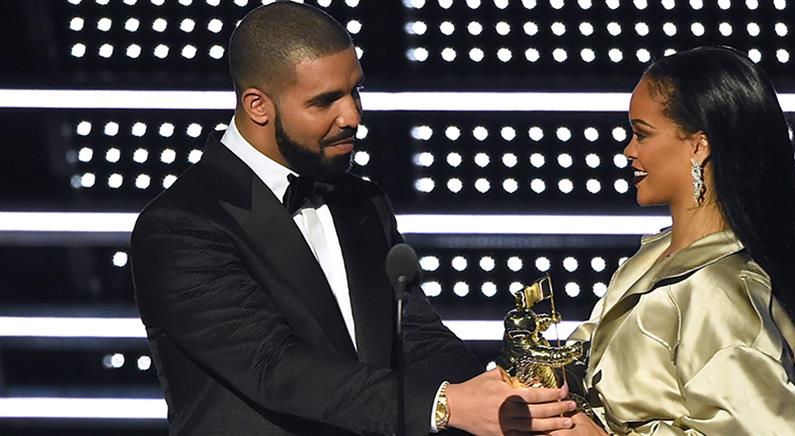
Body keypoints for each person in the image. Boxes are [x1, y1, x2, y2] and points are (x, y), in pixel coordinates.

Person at [130, 3, 575, 434]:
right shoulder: (180, 225)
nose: (352, 116)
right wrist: (445, 405)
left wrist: (502, 401)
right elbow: (274, 367)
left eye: (354, 91)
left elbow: (415, 335)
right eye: (325, 102)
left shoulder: (362, 201)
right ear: (258, 106)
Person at [557, 47, 795, 435]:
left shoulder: (720, 291)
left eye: (642, 134)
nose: (629, 151)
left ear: (699, 145)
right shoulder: (654, 257)